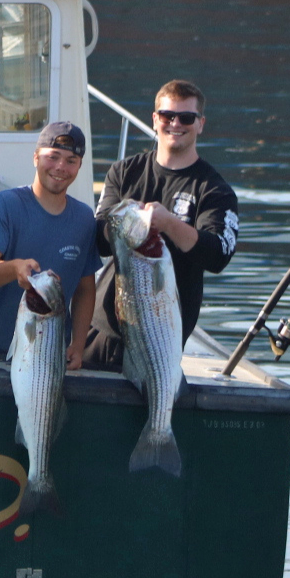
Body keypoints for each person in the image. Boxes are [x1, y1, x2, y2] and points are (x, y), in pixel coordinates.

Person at [80, 79, 240, 370]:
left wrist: (169, 224)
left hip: (160, 336)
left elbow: (218, 255)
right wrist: (125, 223)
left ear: (200, 124)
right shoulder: (123, 172)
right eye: (167, 116)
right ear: (155, 120)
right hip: (104, 328)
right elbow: (99, 240)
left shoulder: (215, 190)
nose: (175, 123)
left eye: (186, 118)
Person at [0, 121, 98, 368]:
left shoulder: (84, 218)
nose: (60, 167)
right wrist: (15, 268)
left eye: (71, 160)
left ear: (80, 165)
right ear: (35, 157)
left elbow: (85, 289)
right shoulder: (4, 204)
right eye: (53, 157)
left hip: (49, 356)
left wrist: (78, 346)